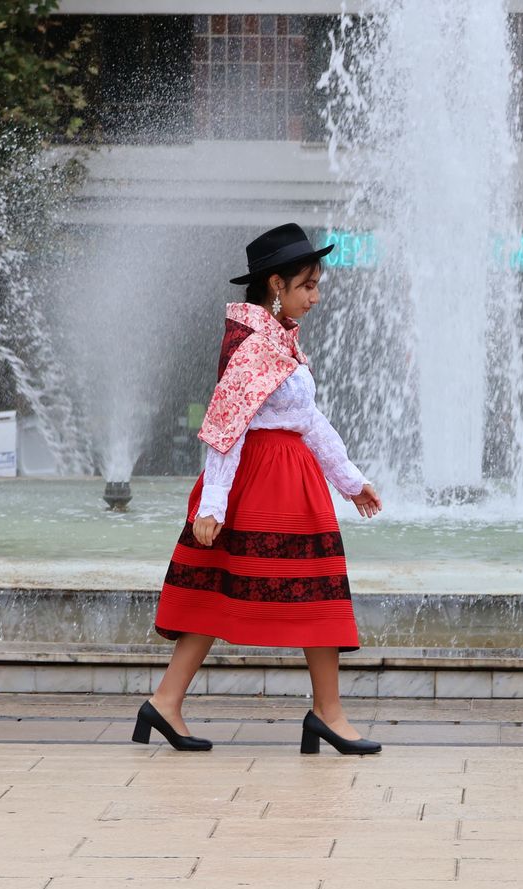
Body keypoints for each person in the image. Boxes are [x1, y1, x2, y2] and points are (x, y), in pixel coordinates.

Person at [141, 223, 383, 756]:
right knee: (293, 593)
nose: (315, 298)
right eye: (308, 286)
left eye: (316, 285)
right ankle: (325, 713)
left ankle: (169, 700)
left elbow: (309, 420)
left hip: (289, 481)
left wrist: (350, 480)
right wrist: (212, 506)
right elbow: (226, 429)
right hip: (262, 484)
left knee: (276, 592)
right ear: (276, 285)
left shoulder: (277, 340)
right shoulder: (256, 347)